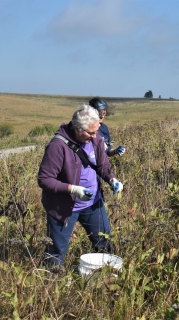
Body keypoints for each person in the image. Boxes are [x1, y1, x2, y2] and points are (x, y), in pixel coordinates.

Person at [38, 104, 124, 267]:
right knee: (56, 252)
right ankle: (50, 282)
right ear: (77, 128)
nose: (95, 136)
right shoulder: (58, 146)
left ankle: (104, 277)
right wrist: (73, 189)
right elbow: (44, 179)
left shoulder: (96, 138)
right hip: (63, 207)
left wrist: (112, 179)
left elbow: (102, 165)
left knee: (104, 242)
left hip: (93, 204)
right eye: (90, 132)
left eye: (96, 131)